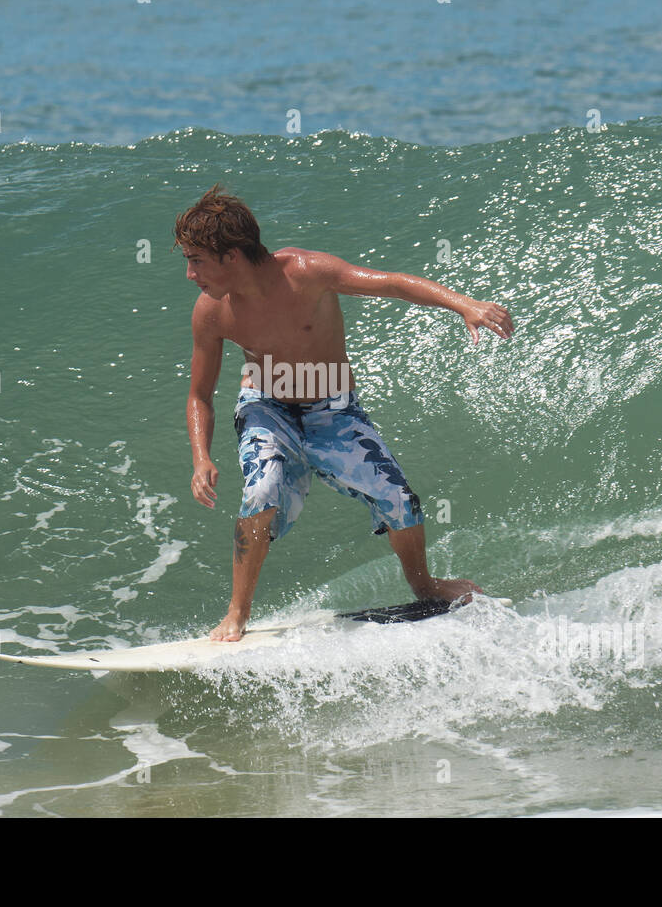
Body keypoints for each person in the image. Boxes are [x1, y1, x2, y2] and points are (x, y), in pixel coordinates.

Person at [175, 184, 514, 641]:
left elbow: (392, 283)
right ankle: (237, 612)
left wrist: (465, 305)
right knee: (263, 491)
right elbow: (200, 395)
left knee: (398, 498)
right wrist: (201, 457)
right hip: (266, 408)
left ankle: (424, 584)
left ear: (232, 256)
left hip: (333, 411)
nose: (191, 274)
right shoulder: (211, 312)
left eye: (196, 260)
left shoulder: (307, 273)